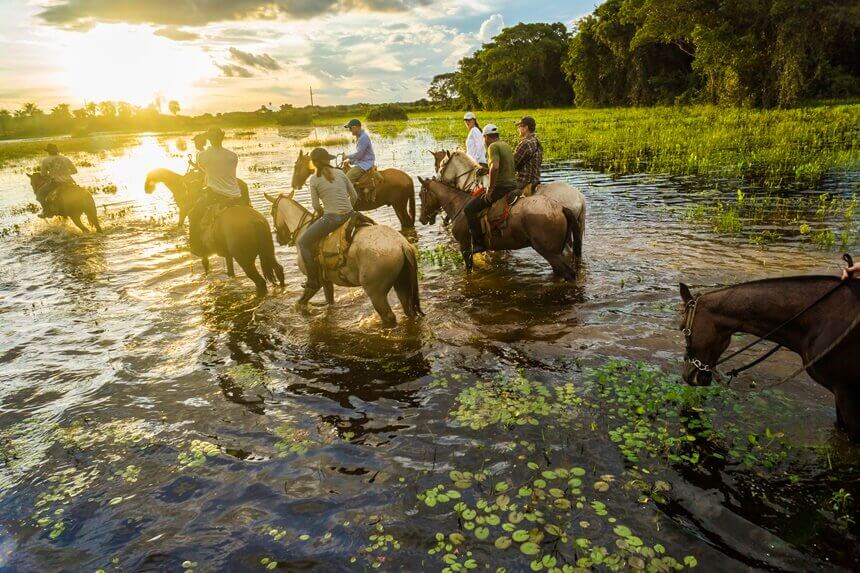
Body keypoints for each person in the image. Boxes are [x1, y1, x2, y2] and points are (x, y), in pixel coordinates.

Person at [297, 148, 358, 304]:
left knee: (303, 243)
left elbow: (316, 206)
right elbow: (354, 196)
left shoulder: (314, 180)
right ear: (329, 160)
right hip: (351, 215)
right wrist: (347, 211)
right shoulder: (341, 173)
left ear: (314, 163)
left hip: (332, 218)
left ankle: (312, 280)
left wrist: (326, 212)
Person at [463, 124, 519, 255]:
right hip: (512, 185)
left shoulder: (492, 147)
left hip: (501, 188)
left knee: (469, 209)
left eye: (484, 138)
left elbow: (495, 167)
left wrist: (490, 188)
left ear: (486, 137)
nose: (484, 140)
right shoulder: (505, 145)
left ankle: (478, 244)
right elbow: (502, 167)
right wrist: (486, 170)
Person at [187, 127, 244, 255]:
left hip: (216, 195)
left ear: (208, 139)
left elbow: (204, 170)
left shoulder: (203, 155)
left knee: (194, 214)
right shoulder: (233, 155)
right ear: (222, 137)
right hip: (236, 195)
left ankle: (195, 247)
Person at [37, 143, 78, 218]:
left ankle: (46, 211)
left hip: (56, 183)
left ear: (48, 151)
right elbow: (75, 171)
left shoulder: (46, 161)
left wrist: (52, 175)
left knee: (40, 194)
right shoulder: (65, 159)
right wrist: (65, 173)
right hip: (69, 182)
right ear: (57, 151)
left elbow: (43, 175)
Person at [342, 119, 376, 197]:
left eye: (350, 128)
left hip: (365, 164)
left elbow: (359, 154)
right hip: (363, 162)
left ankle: (350, 200)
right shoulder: (360, 136)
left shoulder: (363, 138)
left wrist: (347, 157)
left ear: (356, 127)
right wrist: (350, 161)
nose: (350, 131)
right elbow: (360, 155)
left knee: (347, 178)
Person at [513, 116, 542, 194]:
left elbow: (513, 164)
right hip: (536, 179)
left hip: (524, 180)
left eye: (519, 126)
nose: (518, 129)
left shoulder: (525, 143)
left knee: (500, 192)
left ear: (526, 128)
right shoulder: (537, 141)